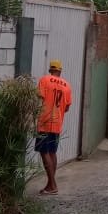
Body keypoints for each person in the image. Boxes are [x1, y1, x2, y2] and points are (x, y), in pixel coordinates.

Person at [35, 59, 72, 195]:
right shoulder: (67, 86)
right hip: (57, 124)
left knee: (44, 153)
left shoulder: (44, 80)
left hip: (44, 123)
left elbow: (39, 98)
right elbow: (67, 107)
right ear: (60, 71)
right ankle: (50, 184)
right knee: (52, 152)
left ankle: (53, 185)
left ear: (50, 69)